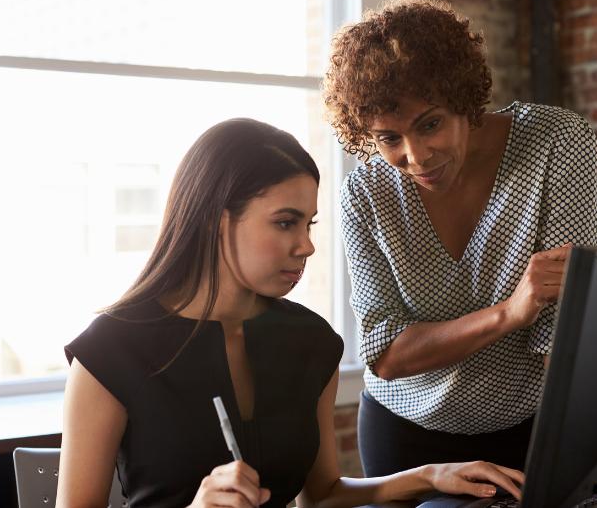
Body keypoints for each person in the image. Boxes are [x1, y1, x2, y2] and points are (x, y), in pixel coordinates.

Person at [57, 118, 526, 508]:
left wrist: (430, 475)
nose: (306, 246)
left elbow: (321, 495)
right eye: (285, 223)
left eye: (308, 224)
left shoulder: (311, 342)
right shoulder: (109, 353)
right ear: (216, 220)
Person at [322, 0, 597, 499]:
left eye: (430, 124)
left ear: (464, 97)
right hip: (406, 437)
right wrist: (511, 311)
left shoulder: (555, 142)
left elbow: (563, 334)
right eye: (388, 138)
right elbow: (386, 353)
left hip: (532, 431)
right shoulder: (366, 191)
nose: (415, 156)